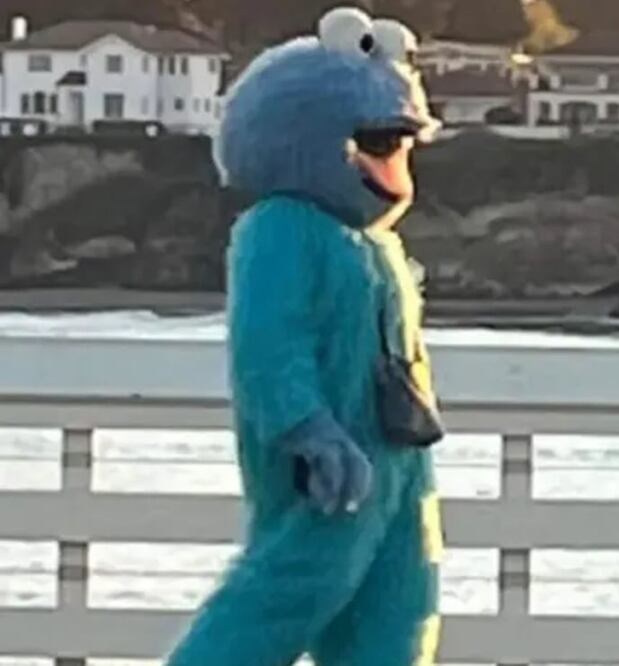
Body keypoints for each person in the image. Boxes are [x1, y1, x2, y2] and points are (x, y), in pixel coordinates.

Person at [164, 7, 444, 666]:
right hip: (324, 469)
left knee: (397, 614)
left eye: (402, 142)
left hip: (399, 462)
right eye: (378, 141)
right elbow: (268, 347)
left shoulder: (378, 245)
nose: (395, 160)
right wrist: (306, 429)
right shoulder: (281, 228)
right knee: (280, 597)